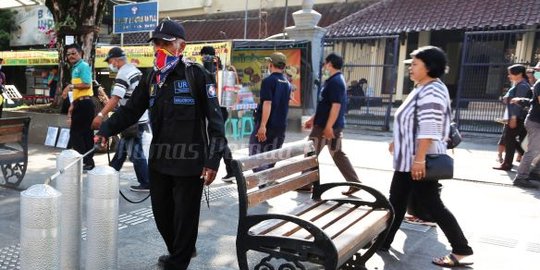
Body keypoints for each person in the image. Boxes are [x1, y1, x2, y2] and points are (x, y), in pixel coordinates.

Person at [94, 20, 225, 270]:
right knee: (163, 215)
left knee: (185, 219)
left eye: (166, 43)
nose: (159, 48)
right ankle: (180, 249)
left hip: (190, 162)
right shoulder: (151, 78)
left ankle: (178, 260)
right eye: (156, 43)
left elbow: (216, 121)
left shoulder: (197, 75)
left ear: (181, 46)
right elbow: (130, 111)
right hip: (160, 160)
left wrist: (213, 160)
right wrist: (105, 129)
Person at [383, 46, 473, 267]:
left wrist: (419, 159)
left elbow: (428, 128)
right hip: (408, 159)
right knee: (397, 200)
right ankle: (384, 241)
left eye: (415, 64)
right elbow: (412, 120)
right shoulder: (423, 87)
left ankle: (461, 249)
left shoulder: (432, 91)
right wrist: (398, 139)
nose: (410, 68)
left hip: (418, 161)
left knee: (432, 205)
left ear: (429, 67)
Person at [91, 47, 150, 192]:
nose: (110, 64)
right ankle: (110, 174)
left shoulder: (123, 73)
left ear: (116, 60)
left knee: (135, 152)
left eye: (110, 61)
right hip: (138, 118)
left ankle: (146, 182)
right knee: (122, 150)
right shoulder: (135, 70)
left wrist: (100, 115)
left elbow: (115, 99)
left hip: (133, 121)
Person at [303, 53, 361, 196]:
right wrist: (312, 118)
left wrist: (328, 126)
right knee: (337, 154)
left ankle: (305, 183)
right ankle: (354, 182)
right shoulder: (333, 80)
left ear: (330, 64)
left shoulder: (336, 82)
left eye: (325, 64)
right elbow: (325, 105)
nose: (324, 67)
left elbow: (336, 106)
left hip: (325, 127)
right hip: (325, 124)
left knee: (311, 152)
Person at [249, 52, 291, 171]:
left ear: (271, 64)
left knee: (255, 154)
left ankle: (263, 184)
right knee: (271, 156)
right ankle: (267, 181)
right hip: (281, 127)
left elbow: (268, 103)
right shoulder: (287, 83)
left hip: (267, 125)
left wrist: (262, 126)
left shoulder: (268, 81)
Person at [200, 45, 234, 181]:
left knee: (217, 138)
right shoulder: (221, 69)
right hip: (222, 109)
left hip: (214, 109)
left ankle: (227, 168)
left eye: (203, 55)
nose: (202, 58)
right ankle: (230, 168)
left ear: (205, 55)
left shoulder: (210, 70)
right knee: (220, 138)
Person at [61, 44, 95, 171]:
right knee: (82, 133)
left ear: (80, 53)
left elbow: (86, 84)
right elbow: (77, 90)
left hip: (85, 104)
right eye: (68, 54)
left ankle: (85, 161)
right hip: (79, 103)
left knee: (78, 133)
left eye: (73, 53)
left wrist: (70, 86)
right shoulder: (74, 68)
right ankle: (87, 161)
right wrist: (72, 105)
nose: (70, 56)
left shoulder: (83, 66)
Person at [493, 64, 531, 171]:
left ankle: (507, 163)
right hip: (516, 116)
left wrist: (513, 117)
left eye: (511, 74)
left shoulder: (522, 86)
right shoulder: (519, 84)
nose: (509, 76)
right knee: (512, 139)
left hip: (517, 117)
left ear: (519, 74)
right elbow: (510, 99)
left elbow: (517, 104)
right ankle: (518, 158)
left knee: (510, 140)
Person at [510, 62, 540, 188]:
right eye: (537, 69)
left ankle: (535, 172)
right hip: (536, 122)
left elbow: (532, 102)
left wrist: (521, 100)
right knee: (533, 151)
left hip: (535, 121)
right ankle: (521, 177)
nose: (536, 72)